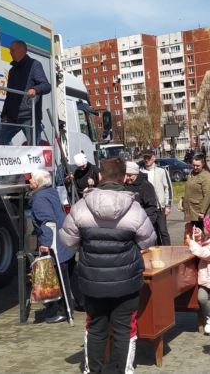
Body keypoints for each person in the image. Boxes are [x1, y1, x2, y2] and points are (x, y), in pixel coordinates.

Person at [59, 158, 156, 374]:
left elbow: (67, 241)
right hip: (127, 282)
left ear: (100, 176)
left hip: (92, 281)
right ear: (124, 178)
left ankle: (93, 371)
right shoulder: (135, 208)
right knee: (124, 330)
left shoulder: (80, 207)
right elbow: (148, 241)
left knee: (95, 328)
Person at [28, 169, 76, 324]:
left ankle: (65, 311)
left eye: (31, 179)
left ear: (37, 182)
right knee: (67, 274)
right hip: (63, 240)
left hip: (56, 243)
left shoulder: (39, 198)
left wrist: (45, 244)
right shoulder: (51, 191)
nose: (29, 182)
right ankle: (73, 305)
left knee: (61, 278)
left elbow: (47, 222)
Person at [0, 40, 51, 145]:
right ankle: (11, 161)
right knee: (0, 140)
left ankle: (33, 160)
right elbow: (9, 95)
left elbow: (46, 86)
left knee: (33, 146)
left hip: (29, 115)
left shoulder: (34, 65)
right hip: (13, 116)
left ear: (22, 50)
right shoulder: (12, 71)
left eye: (12, 50)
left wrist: (35, 90)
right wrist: (4, 114)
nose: (10, 52)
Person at [140, 150, 172, 246]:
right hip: (148, 208)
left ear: (154, 157)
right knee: (153, 232)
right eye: (145, 158)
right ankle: (157, 251)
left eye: (149, 158)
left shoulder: (162, 171)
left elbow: (168, 188)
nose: (147, 160)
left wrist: (168, 205)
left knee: (163, 231)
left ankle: (168, 250)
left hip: (160, 207)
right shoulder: (141, 172)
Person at [183, 153, 210, 239]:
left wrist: (202, 211)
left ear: (203, 164)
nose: (195, 167)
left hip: (200, 212)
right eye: (193, 165)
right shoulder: (192, 173)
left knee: (202, 236)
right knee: (195, 235)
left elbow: (208, 195)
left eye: (198, 166)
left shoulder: (206, 176)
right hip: (193, 210)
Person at [123, 161, 158, 226]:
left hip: (141, 223)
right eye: (125, 175)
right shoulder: (122, 185)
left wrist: (145, 223)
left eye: (130, 175)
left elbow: (152, 208)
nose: (127, 178)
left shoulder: (146, 186)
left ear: (136, 174)